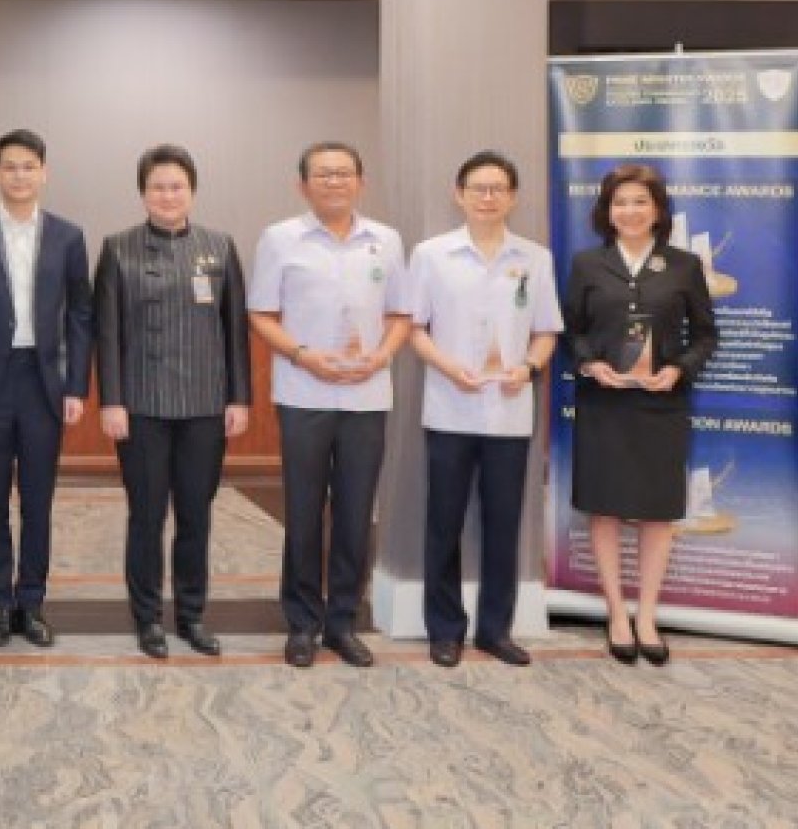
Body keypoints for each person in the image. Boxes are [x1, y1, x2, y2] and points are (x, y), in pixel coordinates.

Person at [249, 141, 410, 669]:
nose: (334, 182)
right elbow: (262, 313)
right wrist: (303, 355)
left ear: (361, 182)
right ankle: (301, 623)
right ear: (303, 185)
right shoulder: (280, 239)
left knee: (356, 512)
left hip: (367, 395)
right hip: (304, 393)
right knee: (302, 511)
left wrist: (382, 356)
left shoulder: (386, 241)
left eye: (343, 173)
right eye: (323, 174)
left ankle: (342, 621)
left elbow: (401, 314)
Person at [95, 144, 251, 659]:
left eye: (177, 186)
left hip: (205, 406)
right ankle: (147, 619)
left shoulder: (218, 247)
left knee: (195, 515)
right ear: (143, 193)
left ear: (192, 191)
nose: (167, 195)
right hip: (141, 407)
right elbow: (107, 333)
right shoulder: (118, 249)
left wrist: (240, 398)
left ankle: (191, 615)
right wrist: (111, 401)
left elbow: (235, 330)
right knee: (146, 517)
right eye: (158, 187)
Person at [407, 152, 561, 668]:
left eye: (498, 189)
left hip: (509, 413)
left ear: (513, 197)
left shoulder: (534, 258)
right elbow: (414, 329)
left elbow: (546, 331)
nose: (488, 197)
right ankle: (444, 629)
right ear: (460, 194)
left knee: (503, 525)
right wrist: (447, 367)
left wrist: (529, 369)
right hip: (449, 409)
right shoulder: (431, 255)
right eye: (478, 188)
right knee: (443, 524)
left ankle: (495, 630)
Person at [561, 163, 717, 666]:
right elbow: (571, 331)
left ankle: (647, 616)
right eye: (620, 202)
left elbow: (706, 335)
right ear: (607, 211)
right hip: (604, 404)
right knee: (604, 508)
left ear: (658, 210)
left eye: (640, 202)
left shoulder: (684, 266)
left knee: (657, 512)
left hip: (660, 404)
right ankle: (616, 614)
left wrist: (678, 370)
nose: (629, 211)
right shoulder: (588, 264)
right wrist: (590, 363)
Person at [0, 129, 94, 648]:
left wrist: (76, 385)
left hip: (43, 383)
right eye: (10, 166)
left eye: (28, 166)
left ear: (43, 172)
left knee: (38, 501)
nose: (19, 175)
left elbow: (81, 314)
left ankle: (31, 602)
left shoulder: (68, 237)